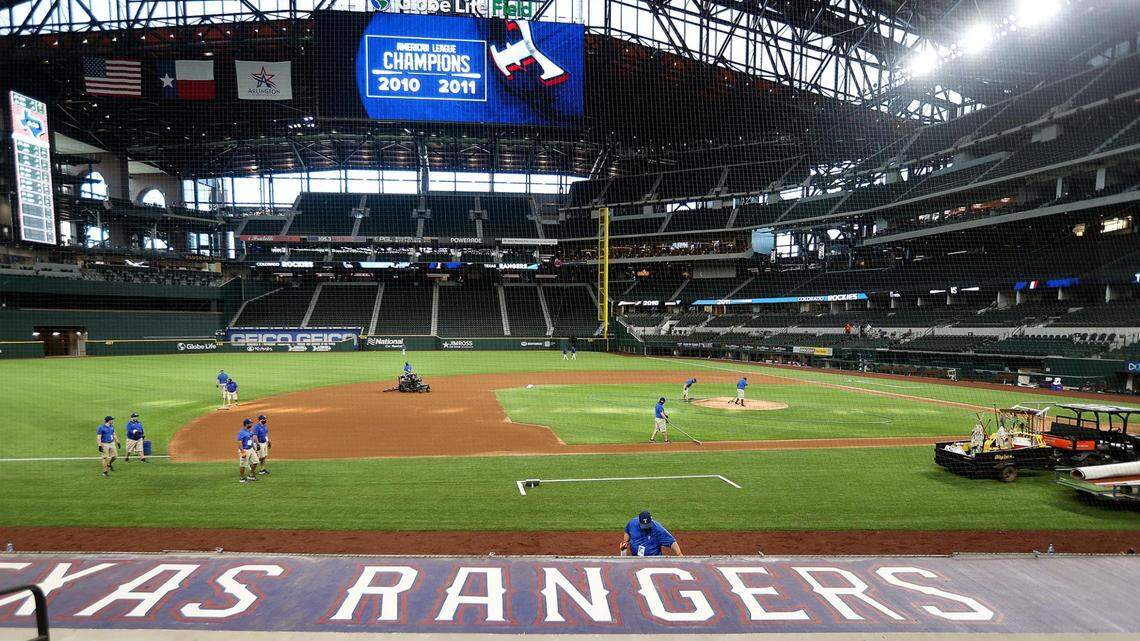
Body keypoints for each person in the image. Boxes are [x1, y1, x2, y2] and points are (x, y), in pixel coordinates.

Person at [237, 419, 260, 483]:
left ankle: (251, 475)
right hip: (244, 450)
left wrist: (255, 450)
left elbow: (251, 441)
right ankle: (242, 478)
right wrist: (242, 452)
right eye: (250, 423)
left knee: (255, 462)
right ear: (246, 424)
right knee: (243, 465)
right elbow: (239, 443)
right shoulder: (241, 432)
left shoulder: (250, 431)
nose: (252, 425)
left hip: (251, 449)